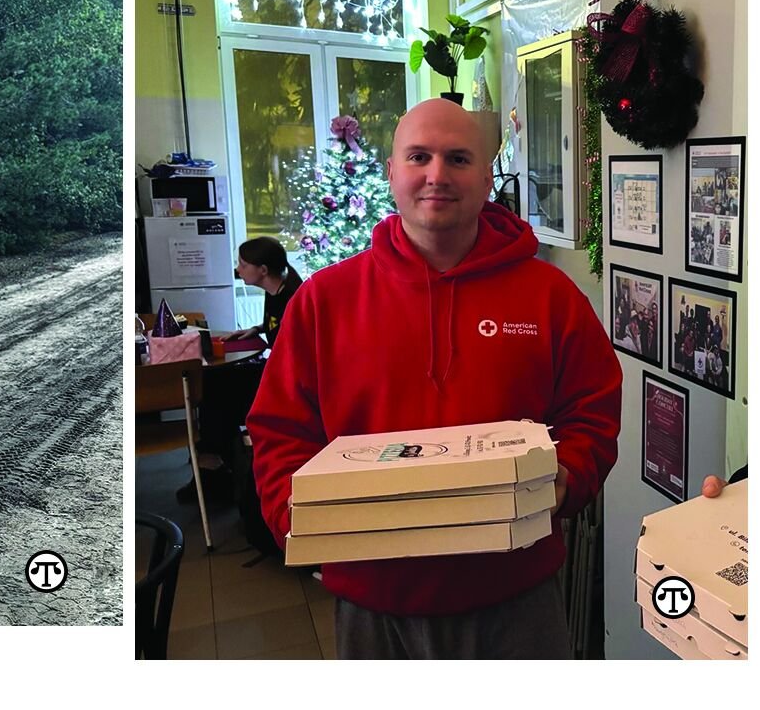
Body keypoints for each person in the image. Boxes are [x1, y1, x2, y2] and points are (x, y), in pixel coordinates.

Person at [246, 98, 622, 659]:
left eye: (459, 158)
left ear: (487, 175)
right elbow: (278, 432)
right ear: (392, 171)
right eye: (419, 156)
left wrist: (569, 475)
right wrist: (299, 527)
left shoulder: (550, 297)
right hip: (375, 602)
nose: (437, 175)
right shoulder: (324, 301)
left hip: (516, 594)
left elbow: (591, 411)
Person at [176, 237, 303, 504]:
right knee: (214, 383)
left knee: (216, 390)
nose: (238, 269)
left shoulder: (293, 297)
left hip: (288, 382)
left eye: (243, 265)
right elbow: (276, 326)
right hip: (276, 370)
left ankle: (213, 466)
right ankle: (214, 462)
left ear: (263, 270)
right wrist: (257, 329)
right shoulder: (276, 291)